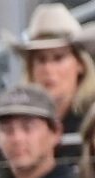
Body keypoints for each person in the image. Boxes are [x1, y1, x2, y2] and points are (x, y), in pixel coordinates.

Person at [10, 3, 95, 141]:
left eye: (58, 58)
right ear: (31, 68)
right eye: (41, 60)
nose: (48, 69)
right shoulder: (17, 121)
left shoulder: (92, 116)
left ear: (80, 64)